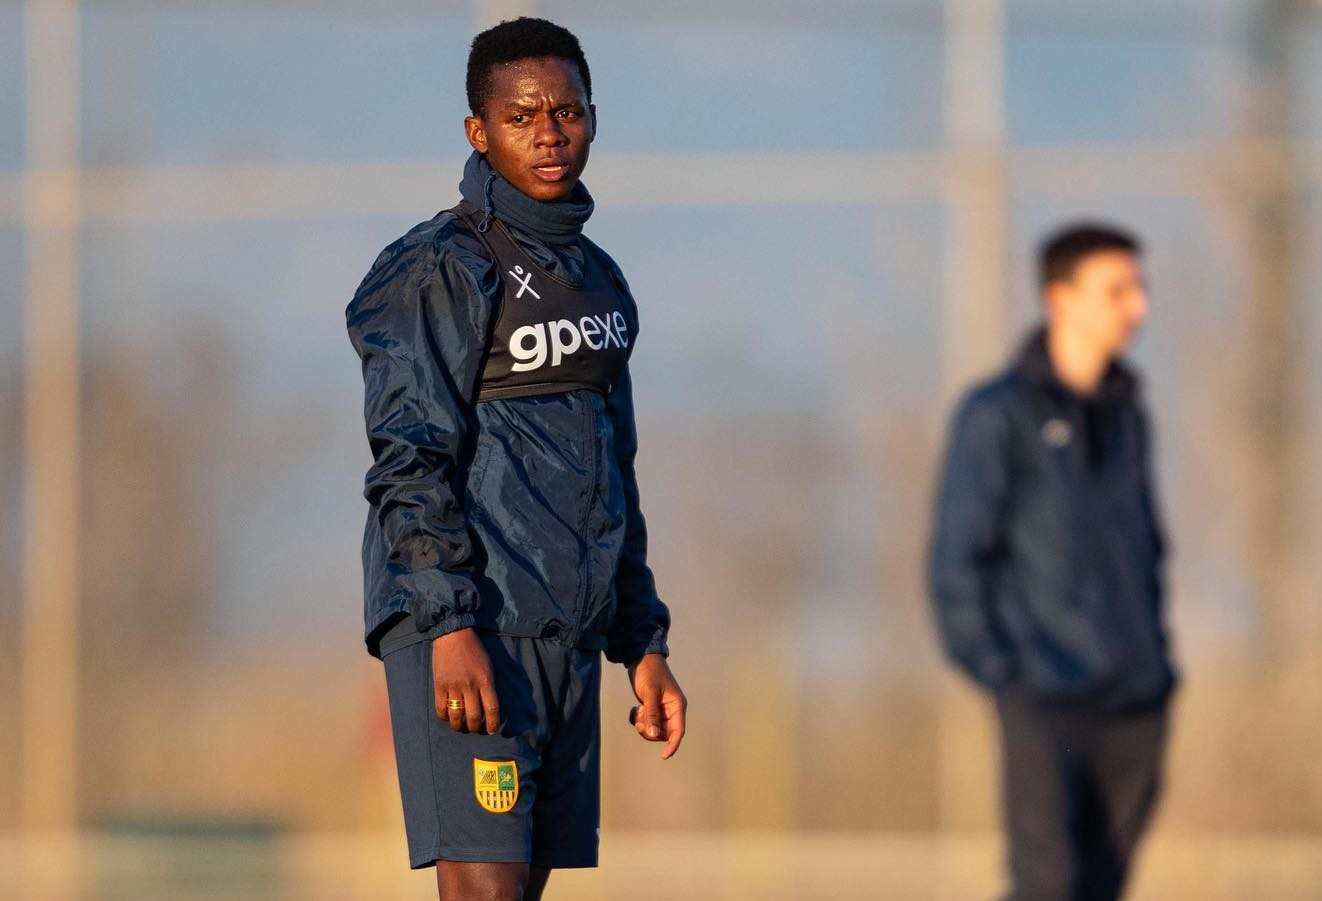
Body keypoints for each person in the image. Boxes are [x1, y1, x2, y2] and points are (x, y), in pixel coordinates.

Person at [345, 18, 686, 900]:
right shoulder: (440, 268)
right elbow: (408, 458)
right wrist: (449, 623)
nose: (549, 132)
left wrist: (640, 640)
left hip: (565, 638)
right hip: (471, 634)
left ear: (593, 118)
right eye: (523, 114)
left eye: (567, 111)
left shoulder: (600, 280)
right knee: (483, 891)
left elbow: (617, 473)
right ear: (479, 132)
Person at [928, 224, 1177, 901]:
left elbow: (1149, 552)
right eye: (1119, 289)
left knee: (1101, 888)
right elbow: (956, 564)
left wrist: (1157, 669)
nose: (1138, 306)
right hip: (1044, 697)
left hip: (1136, 704)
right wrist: (1010, 678)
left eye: (1140, 288)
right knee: (1047, 886)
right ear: (1060, 297)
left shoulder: (1131, 417)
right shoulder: (997, 415)